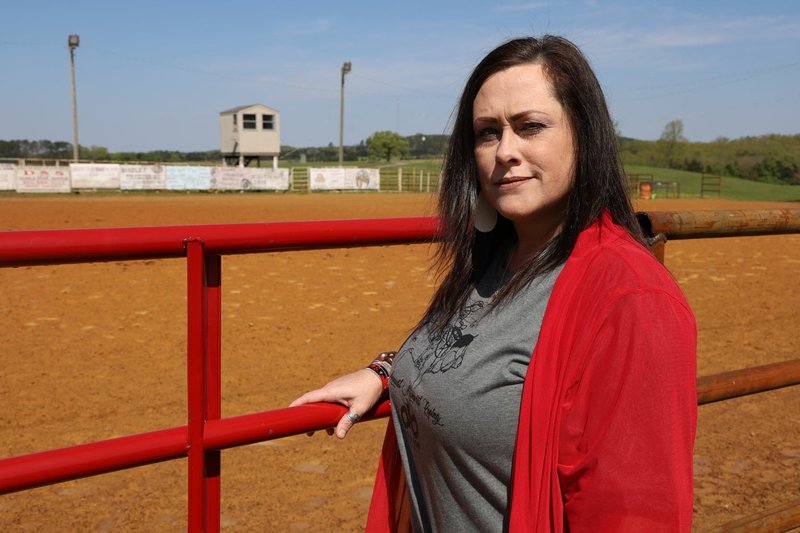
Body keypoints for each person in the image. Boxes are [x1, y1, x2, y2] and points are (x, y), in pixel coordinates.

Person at [290, 35, 697, 532]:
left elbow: (634, 514)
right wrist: (388, 371)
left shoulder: (631, 300)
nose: (505, 151)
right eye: (487, 133)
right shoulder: (496, 257)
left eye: (530, 127)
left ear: (585, 134)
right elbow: (483, 354)